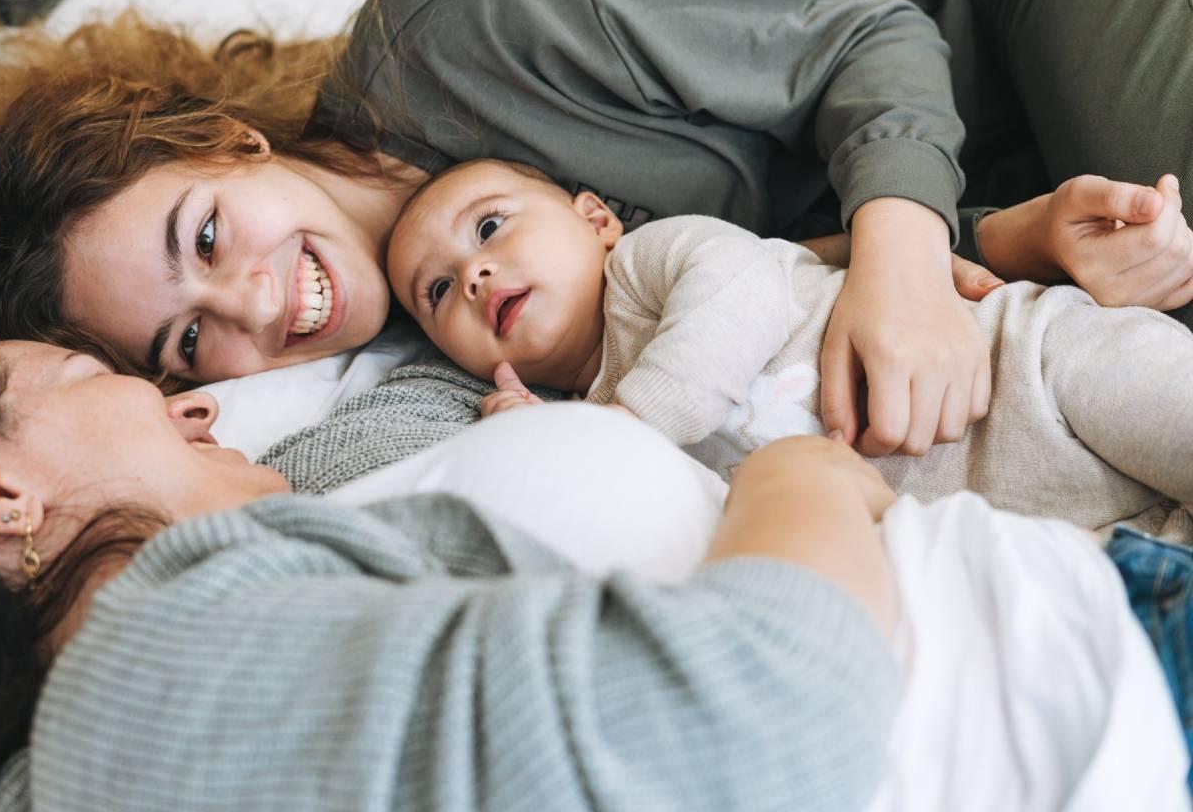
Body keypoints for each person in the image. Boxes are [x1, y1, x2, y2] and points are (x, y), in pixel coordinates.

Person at [0, 0, 1193, 461]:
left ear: (227, 141)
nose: (252, 306)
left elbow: (870, 41)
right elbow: (773, 256)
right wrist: (1010, 241)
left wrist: (909, 267)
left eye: (210, 233)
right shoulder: (439, 321)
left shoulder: (471, 16)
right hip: (980, 147)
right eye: (188, 337)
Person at [0, 330, 1189, 812]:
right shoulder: (145, 676)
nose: (201, 406)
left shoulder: (125, 749)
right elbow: (752, 719)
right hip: (1104, 689)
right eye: (100, 377)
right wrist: (805, 482)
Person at [385, 158, 1193, 535]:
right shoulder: (588, 417)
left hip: (1032, 368)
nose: (477, 272)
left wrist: (622, 425)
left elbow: (745, 296)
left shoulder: (654, 260)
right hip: (1013, 512)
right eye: (440, 291)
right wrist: (531, 434)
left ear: (596, 220)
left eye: (490, 227)